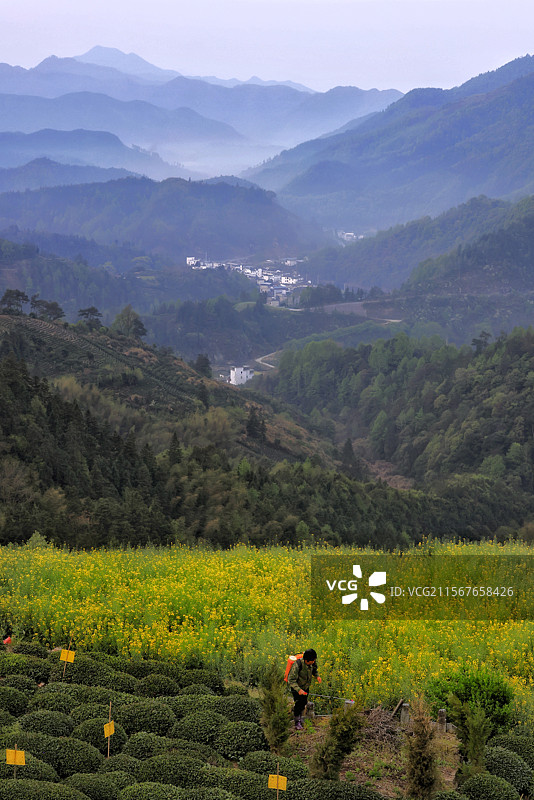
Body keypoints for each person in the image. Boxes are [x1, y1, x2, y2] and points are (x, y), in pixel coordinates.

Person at [287, 648, 322, 730]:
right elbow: (291, 680)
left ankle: (300, 717)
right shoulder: (298, 665)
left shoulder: (312, 662)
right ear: (306, 660)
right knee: (298, 704)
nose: (313, 662)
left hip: (305, 686)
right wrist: (299, 690)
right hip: (296, 688)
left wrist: (317, 676)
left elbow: (314, 670)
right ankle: (297, 722)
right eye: (312, 661)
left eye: (314, 660)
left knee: (304, 702)